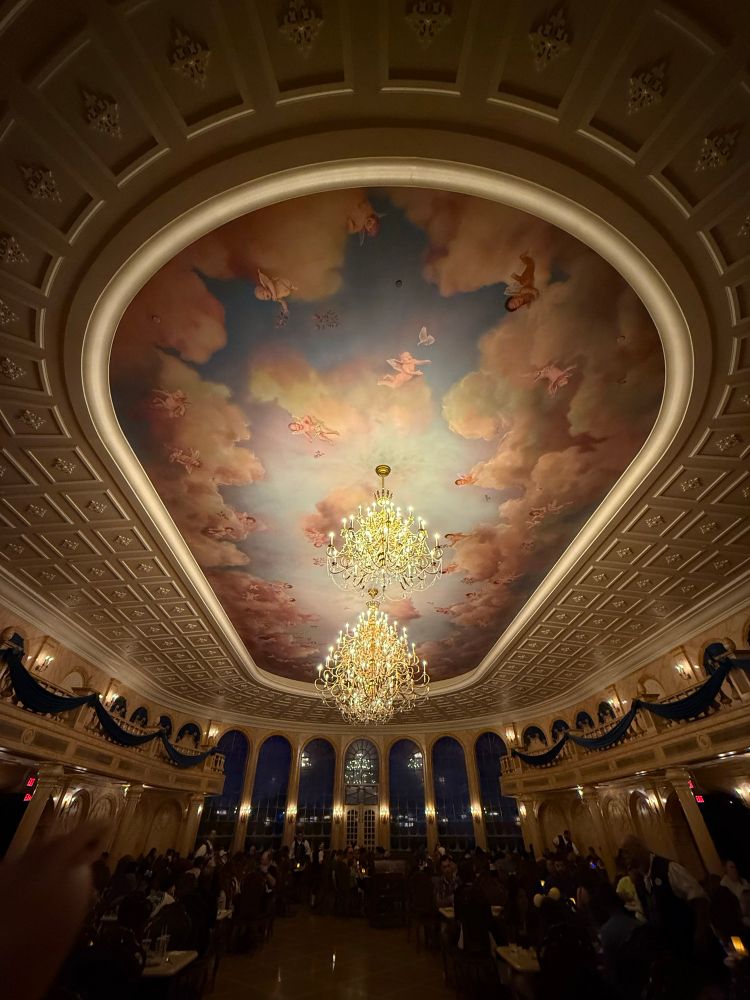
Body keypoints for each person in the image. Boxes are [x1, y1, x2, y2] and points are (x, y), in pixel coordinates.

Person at [619, 834, 709, 960]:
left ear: (639, 848)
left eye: (627, 852)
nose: (625, 858)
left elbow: (699, 899)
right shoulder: (640, 881)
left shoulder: (668, 869)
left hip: (690, 944)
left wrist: (700, 934)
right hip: (672, 952)